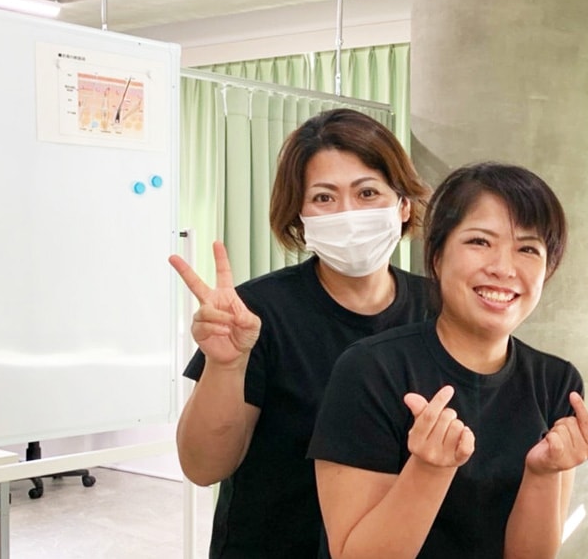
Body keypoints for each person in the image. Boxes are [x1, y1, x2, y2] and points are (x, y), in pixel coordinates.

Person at [169, 108, 435, 558]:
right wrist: (226, 365)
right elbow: (203, 467)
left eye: (368, 193)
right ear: (300, 217)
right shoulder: (255, 313)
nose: (348, 214)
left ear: (403, 205)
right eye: (324, 197)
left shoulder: (439, 311)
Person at [309, 162, 588, 559]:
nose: (503, 268)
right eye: (480, 242)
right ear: (436, 257)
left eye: (527, 249)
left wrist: (543, 474)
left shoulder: (557, 382)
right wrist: (428, 470)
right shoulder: (370, 370)